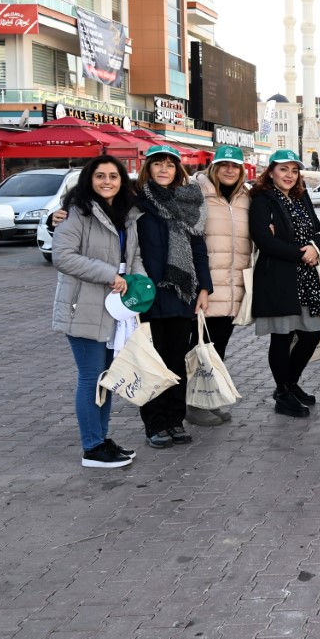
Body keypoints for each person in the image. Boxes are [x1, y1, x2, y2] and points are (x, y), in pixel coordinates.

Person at [52, 155, 144, 468]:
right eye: (100, 176)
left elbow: (135, 256)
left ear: (122, 181)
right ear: (89, 179)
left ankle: (101, 440)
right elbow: (62, 257)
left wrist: (138, 282)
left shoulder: (126, 214)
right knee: (92, 378)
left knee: (106, 377)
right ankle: (92, 447)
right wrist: (109, 275)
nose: (107, 182)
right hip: (85, 305)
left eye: (113, 176)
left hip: (116, 307)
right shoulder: (76, 212)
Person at [135, 145, 213, 448]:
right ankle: (155, 423)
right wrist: (57, 216)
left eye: (170, 164)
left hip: (182, 294)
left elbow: (198, 250)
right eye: (158, 164)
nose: (164, 169)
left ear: (178, 169)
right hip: (148, 294)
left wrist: (204, 288)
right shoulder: (136, 202)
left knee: (176, 361)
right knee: (151, 361)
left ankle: (174, 420)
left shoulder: (189, 203)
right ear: (149, 168)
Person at [249, 148, 320, 419]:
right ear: (271, 171)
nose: (289, 175)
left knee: (312, 333)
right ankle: (284, 393)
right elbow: (264, 239)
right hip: (277, 278)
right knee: (282, 337)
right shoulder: (262, 198)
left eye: (294, 170)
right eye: (283, 169)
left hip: (306, 277)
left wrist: (314, 248)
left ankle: (289, 384)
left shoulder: (301, 195)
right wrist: (301, 252)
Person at [186, 145, 252, 427]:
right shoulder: (196, 192)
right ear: (214, 167)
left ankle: (206, 399)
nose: (229, 170)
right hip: (205, 287)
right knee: (197, 347)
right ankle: (191, 404)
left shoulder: (246, 198)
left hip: (233, 286)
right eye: (224, 164)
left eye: (235, 166)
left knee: (216, 347)